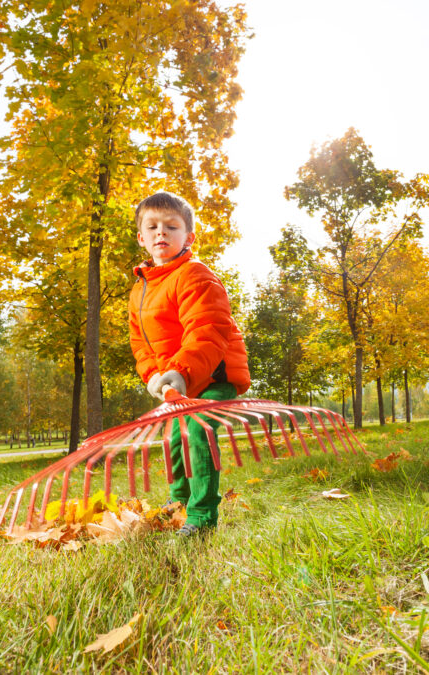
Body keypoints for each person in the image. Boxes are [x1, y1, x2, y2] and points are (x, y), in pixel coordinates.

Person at [128, 191, 251, 537]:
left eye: (171, 226)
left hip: (212, 375)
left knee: (197, 431)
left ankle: (200, 518)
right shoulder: (140, 291)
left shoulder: (196, 275)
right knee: (173, 438)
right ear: (141, 238)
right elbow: (142, 343)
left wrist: (181, 372)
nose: (160, 233)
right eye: (152, 227)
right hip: (176, 382)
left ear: (189, 237)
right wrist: (154, 375)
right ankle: (177, 505)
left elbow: (207, 330)